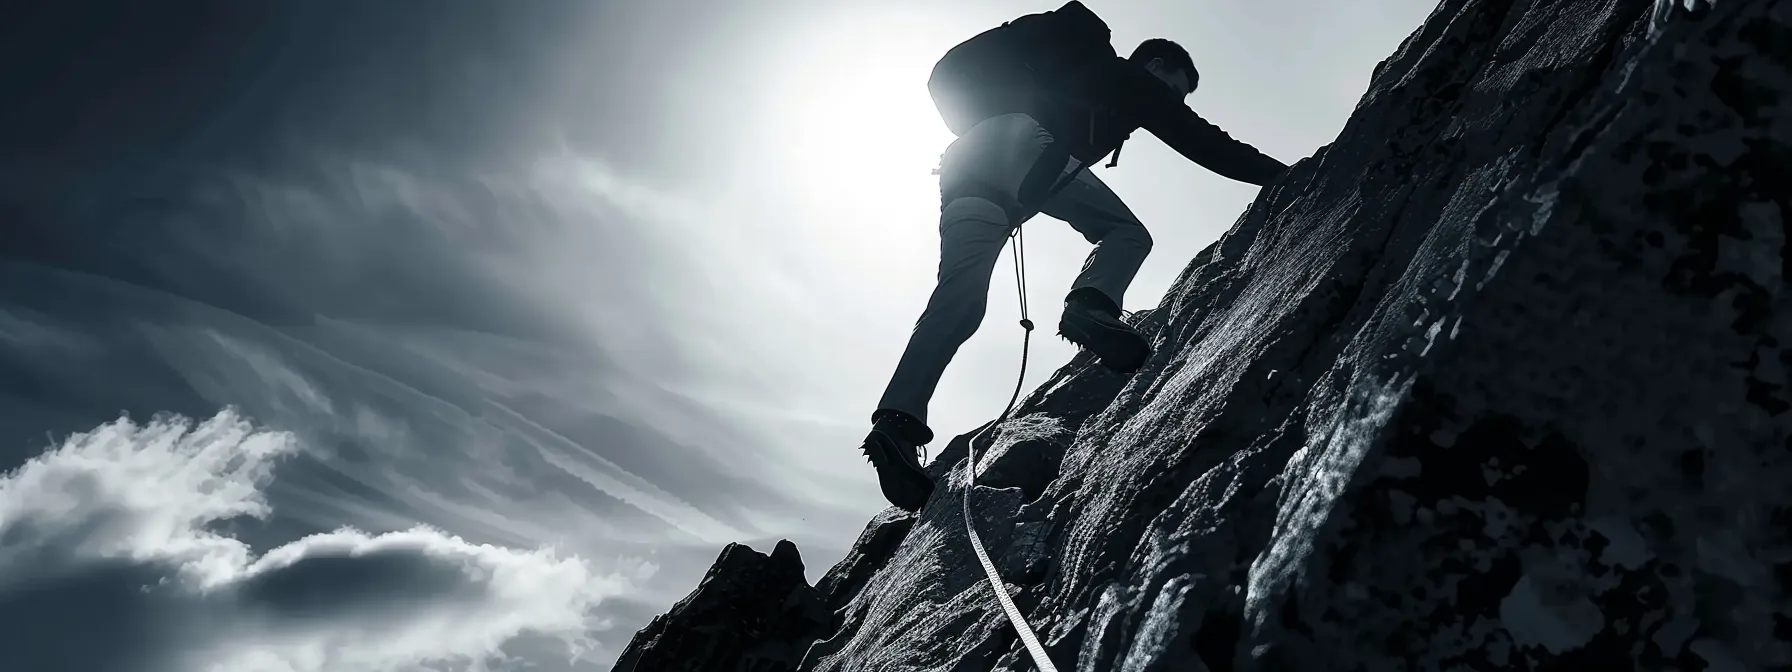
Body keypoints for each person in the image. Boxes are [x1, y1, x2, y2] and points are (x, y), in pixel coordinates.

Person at [861, 1, 1290, 511]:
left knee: (959, 300)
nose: (1171, 99)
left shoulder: (1070, 71)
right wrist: (1285, 172)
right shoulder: (1129, 80)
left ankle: (896, 422)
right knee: (1127, 233)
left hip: (966, 162)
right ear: (1155, 68)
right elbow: (1205, 142)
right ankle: (1090, 305)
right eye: (1174, 88)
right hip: (1024, 148)